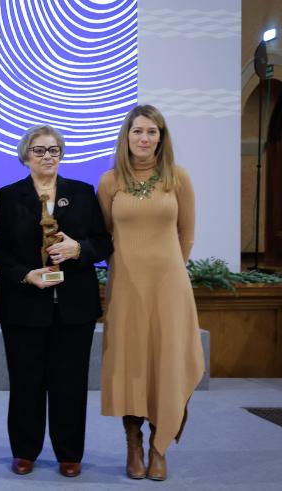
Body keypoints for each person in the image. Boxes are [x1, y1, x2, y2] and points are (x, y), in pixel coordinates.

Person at [0, 124, 112, 478]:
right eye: (40, 150)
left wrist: (79, 249)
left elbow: (104, 242)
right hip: (24, 303)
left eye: (54, 150)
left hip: (74, 304)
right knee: (26, 382)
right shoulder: (8, 196)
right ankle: (25, 451)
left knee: (70, 383)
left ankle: (69, 453)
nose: (47, 156)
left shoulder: (83, 192)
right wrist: (25, 274)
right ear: (26, 155)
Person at [98, 104, 204, 481]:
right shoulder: (110, 181)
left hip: (169, 287)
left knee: (167, 361)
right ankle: (133, 444)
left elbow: (186, 234)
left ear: (161, 138)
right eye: (137, 131)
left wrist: (171, 269)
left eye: (152, 132)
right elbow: (107, 234)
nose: (144, 138)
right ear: (126, 137)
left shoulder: (178, 178)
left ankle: (160, 445)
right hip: (126, 286)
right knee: (131, 364)